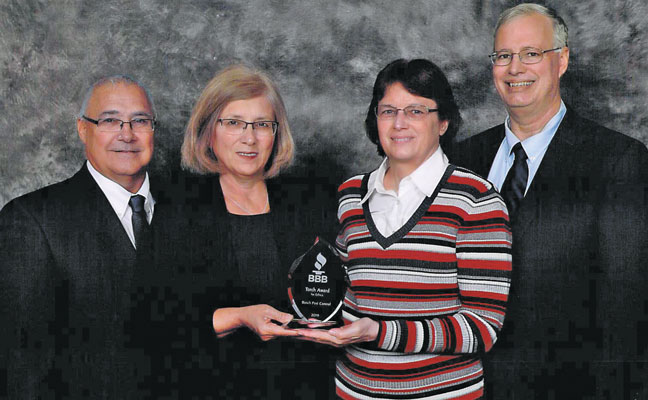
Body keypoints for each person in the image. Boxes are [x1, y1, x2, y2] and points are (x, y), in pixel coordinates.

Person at [449, 4, 648, 398]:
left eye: (531, 54)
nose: (515, 68)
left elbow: (623, 313)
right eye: (503, 56)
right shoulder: (461, 159)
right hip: (460, 386)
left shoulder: (618, 160)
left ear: (562, 60)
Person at [297, 59, 512, 399]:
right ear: (375, 120)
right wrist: (313, 319)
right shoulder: (351, 194)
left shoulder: (476, 200)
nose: (399, 123)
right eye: (388, 111)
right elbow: (337, 293)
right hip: (354, 392)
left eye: (415, 111)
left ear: (442, 122)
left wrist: (379, 333)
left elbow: (482, 328)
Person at [136, 64, 339, 398]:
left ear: (276, 134)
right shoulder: (178, 209)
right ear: (208, 132)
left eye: (262, 124)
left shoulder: (306, 203)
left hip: (300, 388)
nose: (250, 138)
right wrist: (239, 317)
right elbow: (152, 323)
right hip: (210, 388)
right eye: (233, 123)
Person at [0, 75, 158, 397]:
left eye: (139, 121)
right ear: (82, 129)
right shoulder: (31, 220)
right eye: (110, 120)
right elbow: (21, 366)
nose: (126, 134)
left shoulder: (189, 208)